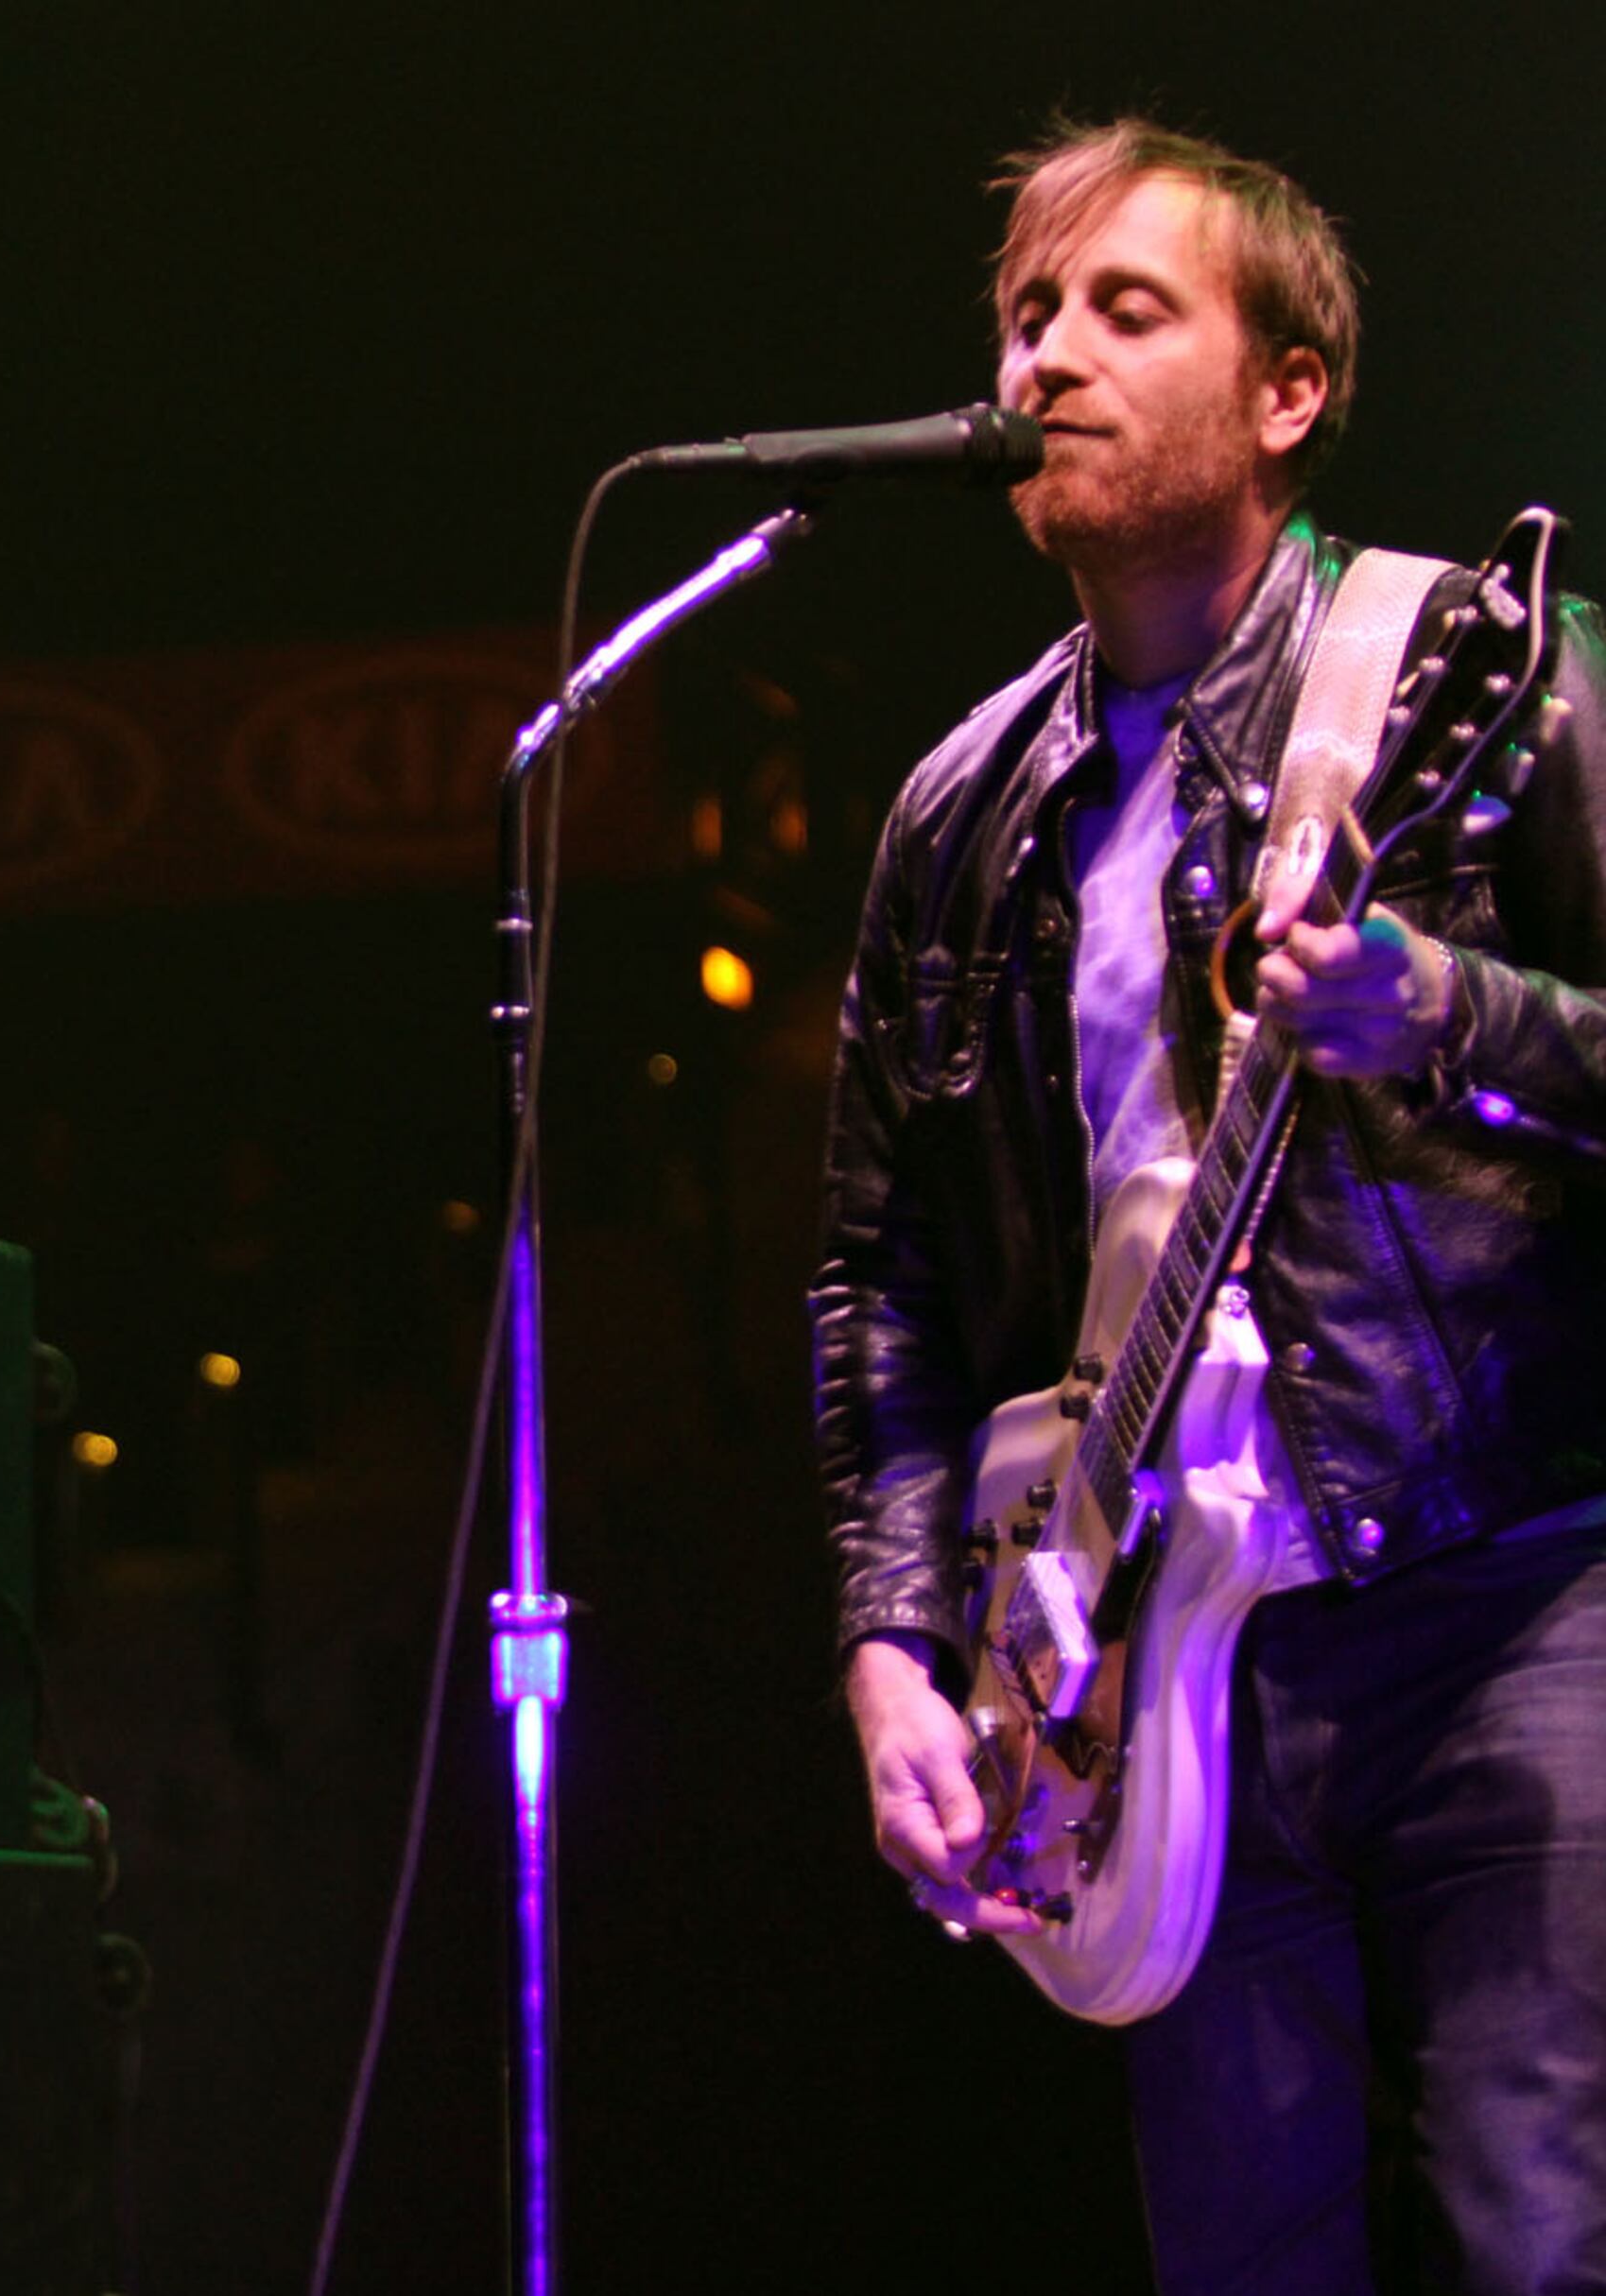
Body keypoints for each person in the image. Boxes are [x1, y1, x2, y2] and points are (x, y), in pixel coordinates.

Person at [816, 119, 1606, 2291]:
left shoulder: (1461, 663)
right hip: (1163, 1680)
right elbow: (874, 1266)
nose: (1044, 351)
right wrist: (895, 1644)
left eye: (1120, 309)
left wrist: (1432, 1009)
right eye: (1022, 314)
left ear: (1285, 393)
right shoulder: (955, 812)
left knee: (1532, 2241)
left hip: (1502, 1595)